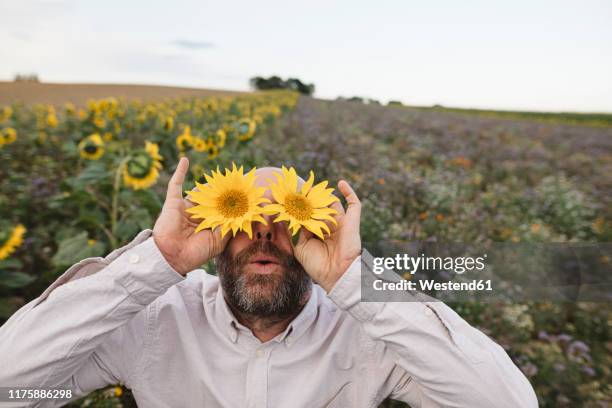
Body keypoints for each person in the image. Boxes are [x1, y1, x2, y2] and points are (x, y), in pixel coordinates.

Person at [0, 158, 538, 407]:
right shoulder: (154, 324)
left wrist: (359, 282)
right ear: (215, 230)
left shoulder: (369, 337)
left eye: (288, 221)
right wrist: (157, 261)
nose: (264, 235)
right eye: (243, 218)